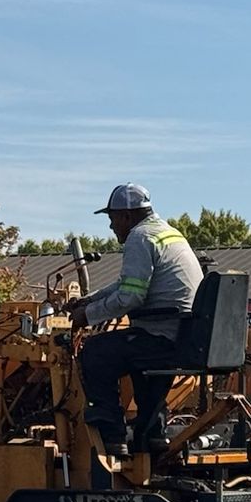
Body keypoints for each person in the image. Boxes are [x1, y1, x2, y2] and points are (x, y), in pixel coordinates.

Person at [67, 184, 203, 455]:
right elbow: (126, 283)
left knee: (95, 352)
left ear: (127, 216)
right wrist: (90, 300)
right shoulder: (169, 233)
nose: (111, 226)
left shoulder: (139, 238)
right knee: (136, 358)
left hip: (162, 334)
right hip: (183, 335)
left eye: (112, 219)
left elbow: (130, 298)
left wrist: (87, 316)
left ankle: (111, 436)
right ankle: (152, 434)